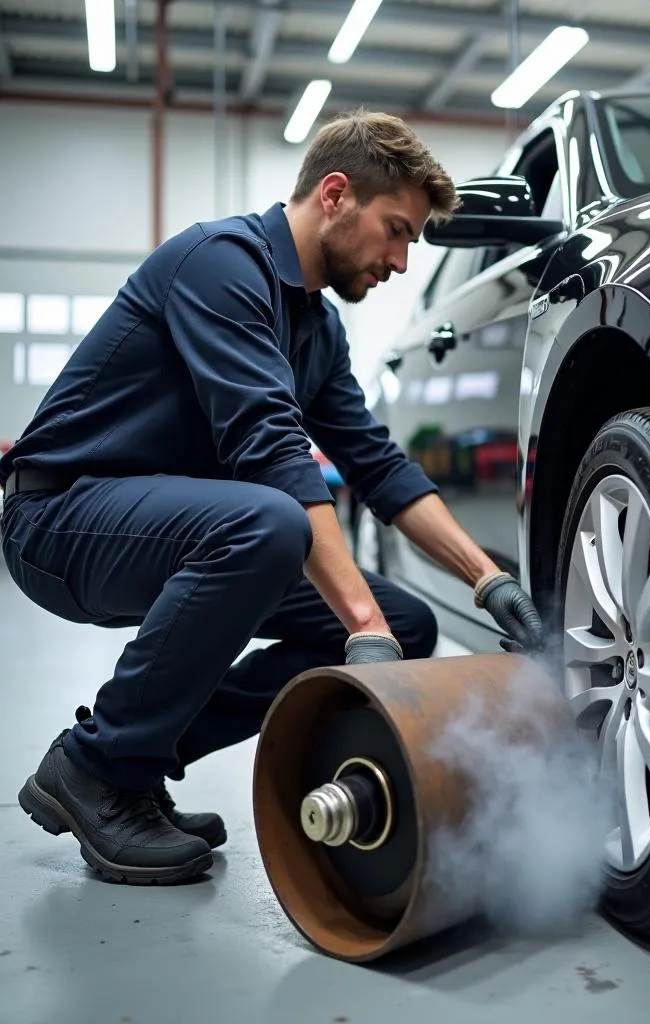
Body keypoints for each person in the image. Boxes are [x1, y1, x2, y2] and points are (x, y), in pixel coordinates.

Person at [0, 108, 544, 887]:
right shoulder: (222, 264)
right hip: (58, 519)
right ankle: (95, 769)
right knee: (271, 523)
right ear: (334, 195)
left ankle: (141, 755)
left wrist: (490, 582)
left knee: (408, 623)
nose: (398, 260)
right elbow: (270, 449)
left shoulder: (317, 331)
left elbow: (379, 467)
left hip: (159, 528)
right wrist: (360, 623)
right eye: (395, 230)